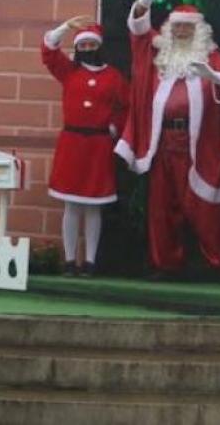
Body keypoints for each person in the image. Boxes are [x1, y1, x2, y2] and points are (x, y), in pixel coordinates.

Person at [118, 0, 220, 274]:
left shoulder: (211, 58)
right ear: (170, 30)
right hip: (162, 144)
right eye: (178, 26)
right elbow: (138, 33)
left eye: (188, 26)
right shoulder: (159, 56)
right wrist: (145, 1)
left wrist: (216, 78)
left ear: (199, 31)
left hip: (197, 144)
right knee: (161, 207)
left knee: (205, 207)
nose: (183, 31)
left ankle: (218, 263)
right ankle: (165, 263)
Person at [41, 16, 129, 276]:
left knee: (93, 205)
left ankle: (90, 260)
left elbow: (126, 107)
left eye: (92, 45)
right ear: (77, 48)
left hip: (99, 146)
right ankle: (70, 260)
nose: (87, 50)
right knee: (71, 205)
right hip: (72, 144)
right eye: (83, 46)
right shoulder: (68, 72)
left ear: (99, 47)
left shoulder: (114, 77)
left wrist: (114, 126)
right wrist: (65, 28)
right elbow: (48, 51)